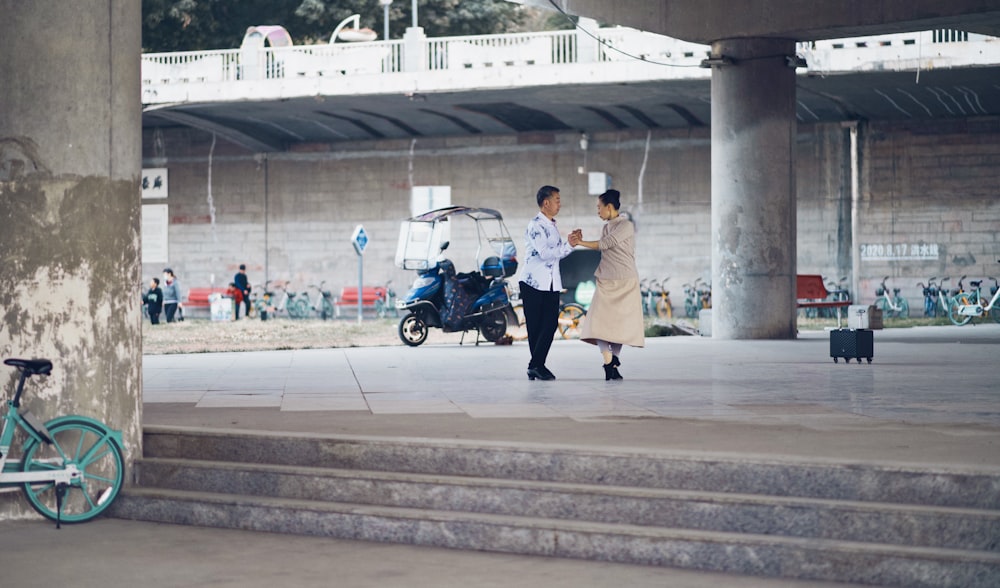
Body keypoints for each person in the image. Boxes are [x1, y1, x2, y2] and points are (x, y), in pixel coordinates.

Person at [575, 189, 644, 380]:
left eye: (599, 207)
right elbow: (605, 244)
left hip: (626, 281)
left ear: (609, 207)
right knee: (598, 323)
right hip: (606, 280)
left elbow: (606, 244)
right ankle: (608, 362)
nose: (597, 211)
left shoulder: (626, 225)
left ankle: (614, 360)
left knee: (619, 325)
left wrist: (580, 242)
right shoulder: (606, 227)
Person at [519, 185, 581, 381]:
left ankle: (535, 365)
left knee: (550, 323)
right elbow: (545, 254)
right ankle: (537, 365)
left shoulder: (552, 225)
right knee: (536, 327)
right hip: (533, 282)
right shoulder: (535, 225)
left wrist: (571, 243)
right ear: (546, 203)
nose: (559, 204)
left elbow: (557, 254)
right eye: (557, 200)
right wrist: (569, 246)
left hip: (551, 283)